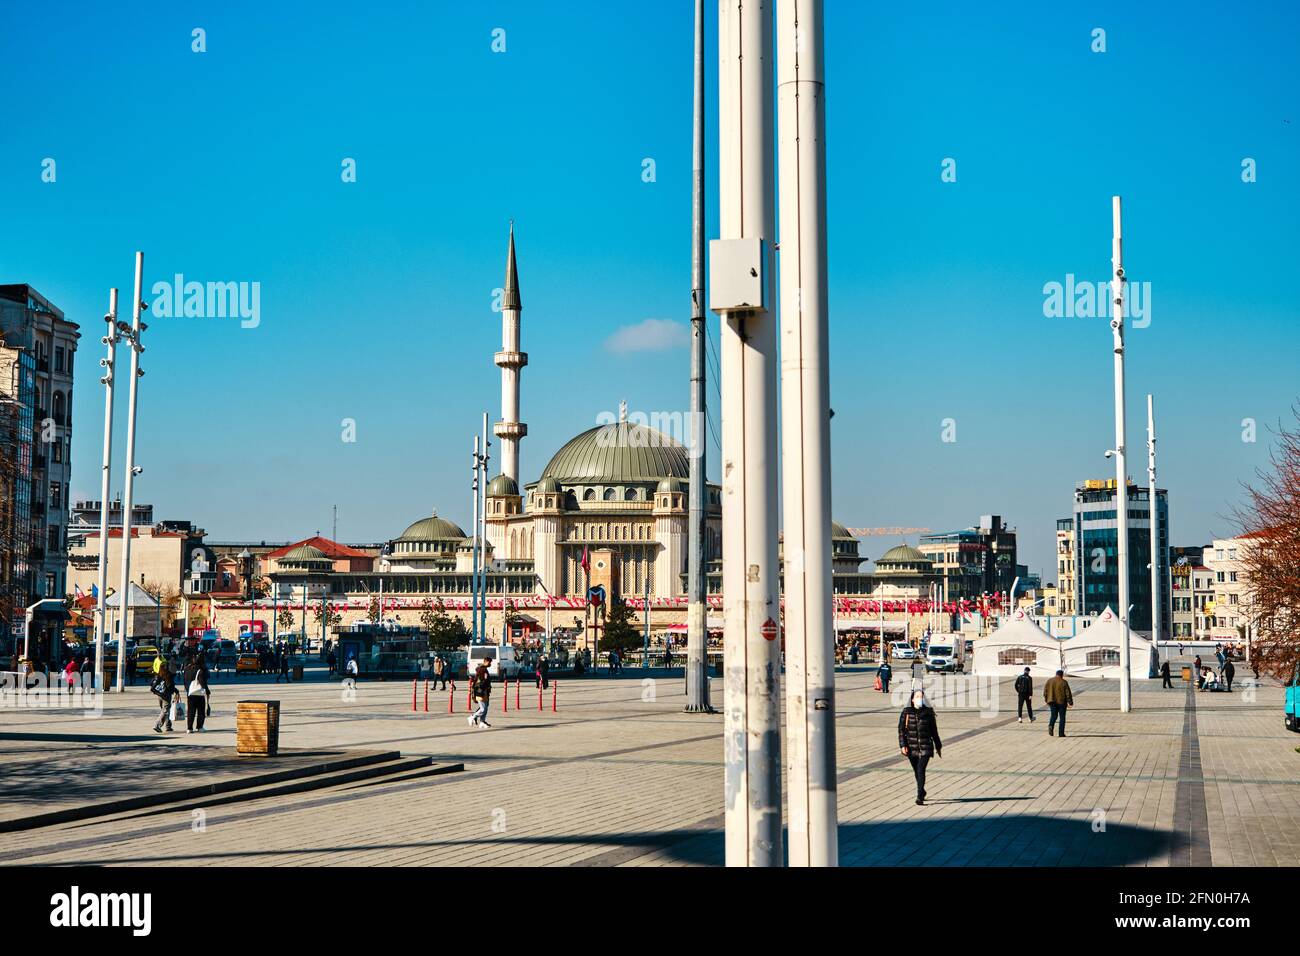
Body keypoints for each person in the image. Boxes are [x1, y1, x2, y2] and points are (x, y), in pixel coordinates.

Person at [898, 688, 942, 805]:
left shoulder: (928, 713)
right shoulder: (906, 712)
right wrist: (903, 745)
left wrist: (938, 745)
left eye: (921, 697)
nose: (919, 699)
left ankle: (919, 797)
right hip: (911, 747)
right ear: (912, 700)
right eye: (917, 697)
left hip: (925, 746)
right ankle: (922, 791)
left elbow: (934, 731)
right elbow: (901, 730)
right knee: (916, 771)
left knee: (920, 770)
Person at [183, 654, 210, 733]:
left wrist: (187, 689)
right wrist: (207, 691)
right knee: (201, 711)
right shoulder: (199, 670)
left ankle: (189, 728)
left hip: (190, 693)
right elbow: (202, 682)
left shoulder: (187, 669)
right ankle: (199, 727)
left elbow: (184, 681)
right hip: (199, 693)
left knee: (191, 711)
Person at [1043, 669, 1073, 738]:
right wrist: (1070, 702)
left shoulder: (1049, 681)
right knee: (1062, 718)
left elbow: (1045, 692)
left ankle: (1051, 725)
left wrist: (1047, 700)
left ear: (1056, 674)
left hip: (1052, 701)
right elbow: (1068, 693)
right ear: (1062, 675)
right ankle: (1061, 733)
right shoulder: (1064, 682)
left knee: (1053, 715)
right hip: (1061, 702)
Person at [151, 660, 177, 733]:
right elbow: (170, 686)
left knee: (165, 710)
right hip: (166, 695)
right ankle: (156, 725)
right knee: (165, 710)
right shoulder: (168, 674)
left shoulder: (159, 674)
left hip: (159, 694)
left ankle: (168, 726)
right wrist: (176, 691)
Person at [468, 662, 492, 729]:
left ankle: (482, 722)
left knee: (486, 707)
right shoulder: (482, 671)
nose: (490, 664)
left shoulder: (484, 670)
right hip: (480, 692)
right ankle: (472, 717)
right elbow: (480, 682)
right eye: (489, 662)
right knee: (483, 708)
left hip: (485, 692)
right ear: (485, 661)